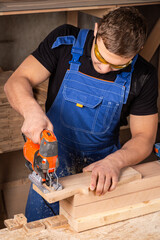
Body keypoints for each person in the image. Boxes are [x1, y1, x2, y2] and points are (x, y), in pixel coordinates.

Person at [4, 7, 158, 222]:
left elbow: (145, 137)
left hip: (104, 163)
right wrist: (31, 111)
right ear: (97, 30)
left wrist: (115, 162)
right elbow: (17, 81)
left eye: (118, 64)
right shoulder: (65, 41)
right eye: (99, 55)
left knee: (96, 225)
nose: (104, 68)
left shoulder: (144, 75)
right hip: (55, 155)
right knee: (39, 225)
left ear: (137, 51)